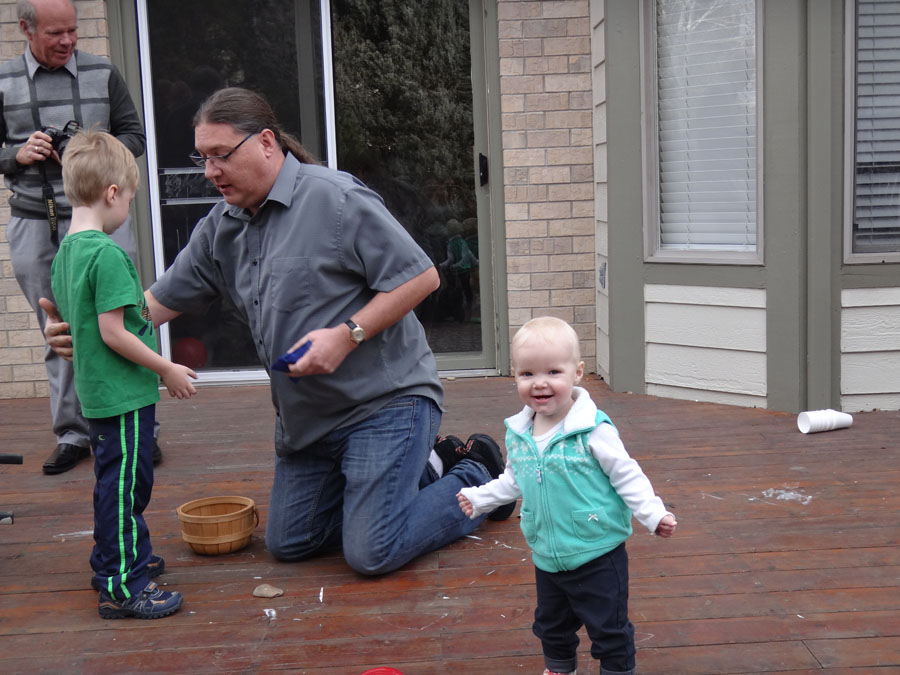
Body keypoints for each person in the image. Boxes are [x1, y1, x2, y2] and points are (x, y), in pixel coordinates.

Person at [44, 86, 513, 576]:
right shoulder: (220, 227)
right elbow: (150, 308)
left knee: (372, 550)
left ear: (266, 142)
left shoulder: (336, 199)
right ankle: (428, 467)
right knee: (290, 541)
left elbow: (421, 277)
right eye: (203, 158)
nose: (210, 171)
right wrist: (87, 330)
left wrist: (348, 334)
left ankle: (476, 471)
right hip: (307, 423)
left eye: (221, 155)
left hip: (385, 405)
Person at [457, 316, 677, 675]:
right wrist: (482, 498)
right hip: (547, 553)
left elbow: (627, 475)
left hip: (597, 551)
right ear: (515, 376)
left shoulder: (592, 430)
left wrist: (653, 514)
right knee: (551, 625)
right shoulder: (519, 432)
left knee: (609, 628)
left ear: (577, 373)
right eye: (527, 373)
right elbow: (515, 479)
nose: (540, 383)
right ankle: (560, 668)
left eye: (553, 372)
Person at [0, 0, 155, 475]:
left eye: (73, 30)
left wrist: (90, 151)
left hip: (103, 218)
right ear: (25, 29)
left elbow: (135, 136)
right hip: (34, 219)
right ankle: (72, 434)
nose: (67, 41)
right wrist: (17, 154)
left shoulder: (103, 72)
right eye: (55, 33)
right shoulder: (3, 80)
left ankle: (137, 424)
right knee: (58, 328)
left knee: (124, 318)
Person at [51, 130, 196, 618]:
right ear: (112, 193)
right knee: (125, 487)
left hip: (98, 394)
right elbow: (113, 333)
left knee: (117, 481)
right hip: (123, 395)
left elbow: (75, 323)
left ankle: (117, 560)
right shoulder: (106, 254)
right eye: (131, 200)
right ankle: (121, 585)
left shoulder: (66, 254)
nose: (128, 210)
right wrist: (167, 369)